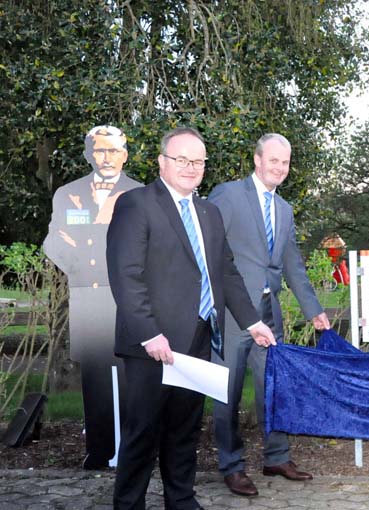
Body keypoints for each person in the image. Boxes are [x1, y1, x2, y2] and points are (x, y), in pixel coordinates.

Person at [106, 127, 275, 510]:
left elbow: (226, 272)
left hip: (199, 338)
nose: (190, 167)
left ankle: (181, 499)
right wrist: (149, 334)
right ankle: (128, 504)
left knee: (184, 430)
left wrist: (252, 321)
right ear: (162, 161)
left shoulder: (208, 213)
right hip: (152, 345)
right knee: (142, 434)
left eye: (197, 161)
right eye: (182, 159)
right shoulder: (136, 204)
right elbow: (125, 275)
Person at [208, 133, 330, 497]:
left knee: (274, 389)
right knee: (225, 394)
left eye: (285, 163)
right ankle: (231, 466)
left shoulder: (285, 210)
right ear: (257, 160)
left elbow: (292, 265)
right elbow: (210, 251)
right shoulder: (228, 195)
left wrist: (314, 311)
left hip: (269, 313)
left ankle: (276, 457)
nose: (279, 168)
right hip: (231, 314)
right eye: (273, 160)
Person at [43, 125, 142, 470]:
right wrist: (81, 268)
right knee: (97, 381)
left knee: (132, 378)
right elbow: (54, 241)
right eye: (100, 150)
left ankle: (132, 453)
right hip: (89, 297)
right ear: (89, 154)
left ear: (125, 155)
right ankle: (98, 453)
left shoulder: (140, 193)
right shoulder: (67, 194)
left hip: (127, 299)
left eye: (114, 151)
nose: (107, 157)